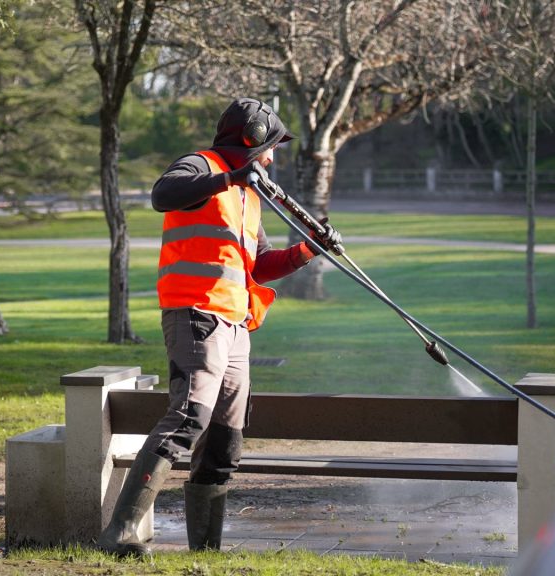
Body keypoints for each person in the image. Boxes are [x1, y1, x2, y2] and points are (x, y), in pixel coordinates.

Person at [96, 97, 342, 556]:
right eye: (269, 148)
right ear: (250, 141)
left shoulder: (250, 194)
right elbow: (161, 195)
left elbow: (260, 265)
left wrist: (309, 250)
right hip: (195, 314)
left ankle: (205, 551)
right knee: (189, 417)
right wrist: (229, 176)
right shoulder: (199, 165)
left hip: (236, 324)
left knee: (225, 440)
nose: (272, 158)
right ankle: (121, 532)